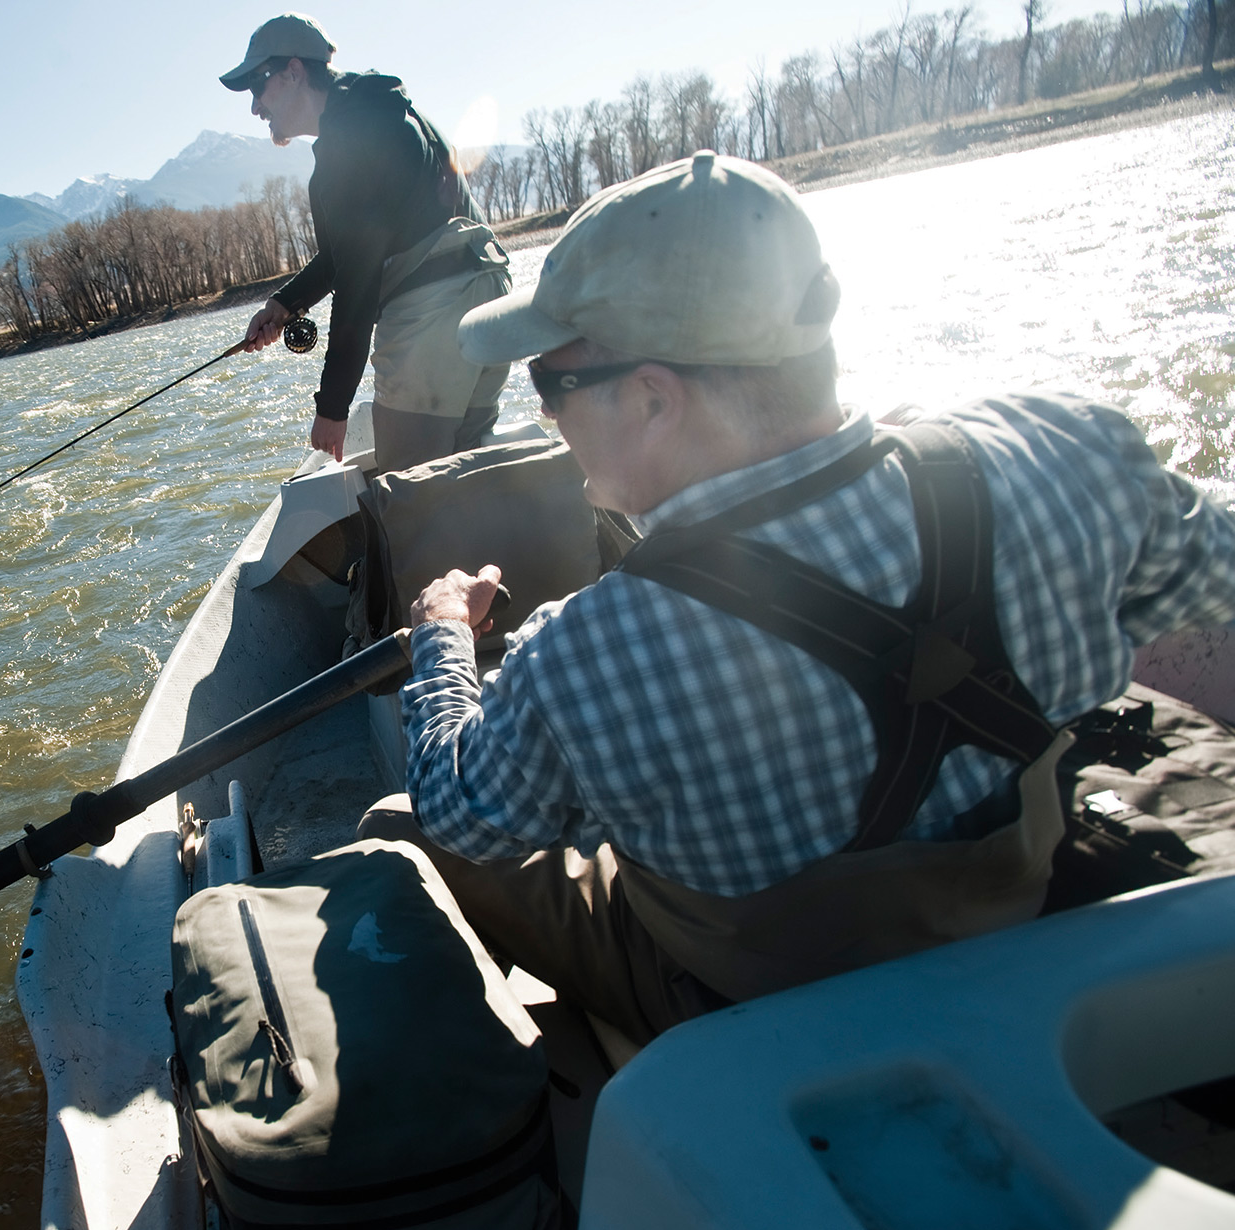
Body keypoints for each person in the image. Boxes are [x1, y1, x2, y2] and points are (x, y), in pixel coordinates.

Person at [360, 149, 1235, 1045]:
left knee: (403, 823)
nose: (545, 415)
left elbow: (461, 812)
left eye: (553, 384)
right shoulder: (1064, 457)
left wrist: (442, 637)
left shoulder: (581, 654)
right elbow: (1219, 575)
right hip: (1014, 912)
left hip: (755, 1002)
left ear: (656, 400)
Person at [220, 13, 511, 471]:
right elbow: (356, 247)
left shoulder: (345, 146)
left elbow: (357, 279)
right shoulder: (387, 112)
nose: (255, 107)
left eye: (258, 87)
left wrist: (333, 407)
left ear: (294, 71)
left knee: (413, 491)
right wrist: (285, 303)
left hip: (431, 313)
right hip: (490, 296)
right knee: (471, 473)